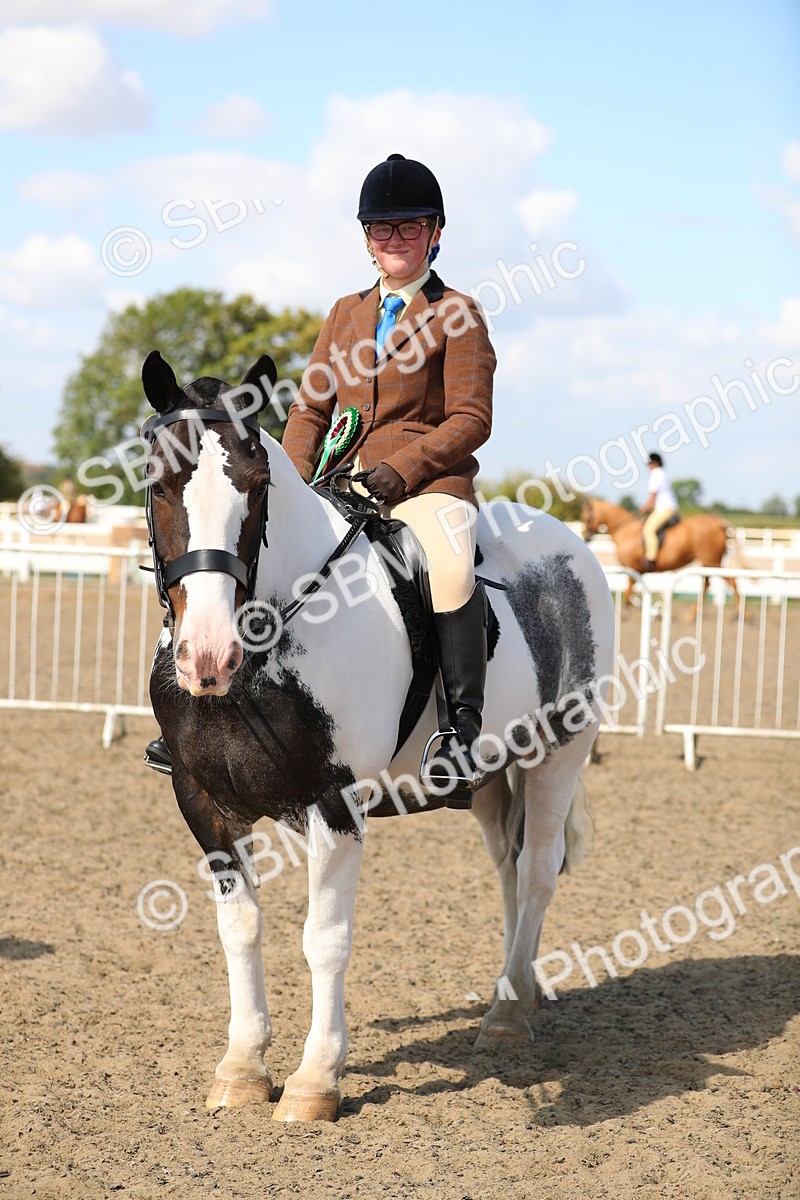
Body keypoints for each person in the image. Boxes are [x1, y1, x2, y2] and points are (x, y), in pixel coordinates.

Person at [280, 153, 496, 808]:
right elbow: (311, 408)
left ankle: (460, 734)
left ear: (435, 233)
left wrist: (396, 472)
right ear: (366, 238)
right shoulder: (345, 313)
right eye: (381, 229)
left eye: (408, 227)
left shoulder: (458, 312)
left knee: (451, 568)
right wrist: (291, 490)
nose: (394, 239)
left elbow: (471, 418)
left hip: (428, 487)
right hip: (339, 484)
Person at [639, 452, 678, 571]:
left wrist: (643, 509)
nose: (648, 467)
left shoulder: (656, 474)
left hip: (664, 508)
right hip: (665, 507)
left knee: (648, 530)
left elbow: (652, 498)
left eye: (649, 464)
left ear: (655, 463)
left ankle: (651, 559)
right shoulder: (661, 474)